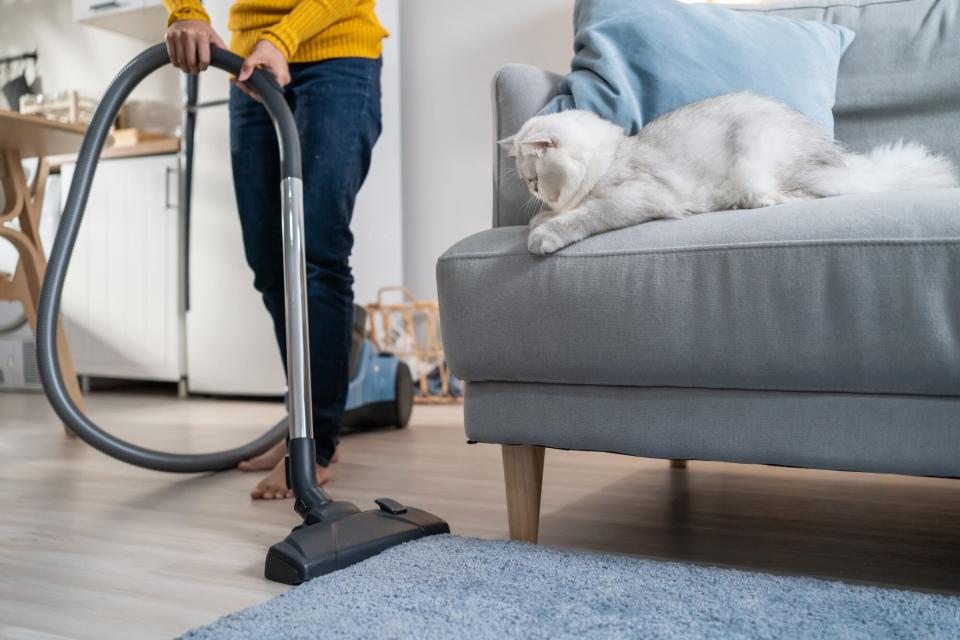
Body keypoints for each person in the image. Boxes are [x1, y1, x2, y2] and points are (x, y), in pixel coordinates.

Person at [163, 0, 386, 499]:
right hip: (248, 61)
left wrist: (284, 38)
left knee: (316, 253)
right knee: (269, 261)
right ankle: (301, 431)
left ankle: (315, 446)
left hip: (337, 53)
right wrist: (184, 11)